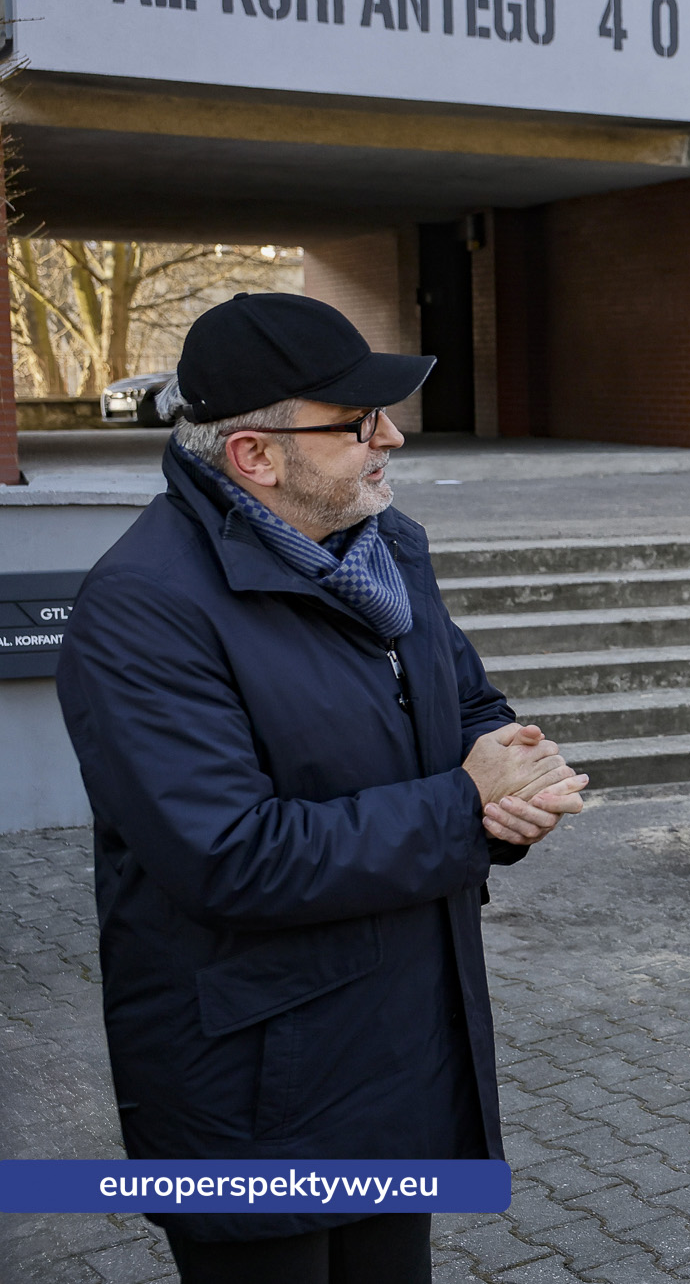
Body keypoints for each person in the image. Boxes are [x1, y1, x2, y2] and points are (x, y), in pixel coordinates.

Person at [55, 293, 588, 1283]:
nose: (391, 438)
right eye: (356, 423)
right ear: (255, 456)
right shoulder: (144, 611)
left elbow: (463, 699)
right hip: (259, 1091)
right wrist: (463, 805)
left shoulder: (381, 551)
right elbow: (230, 856)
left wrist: (515, 780)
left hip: (402, 1057)